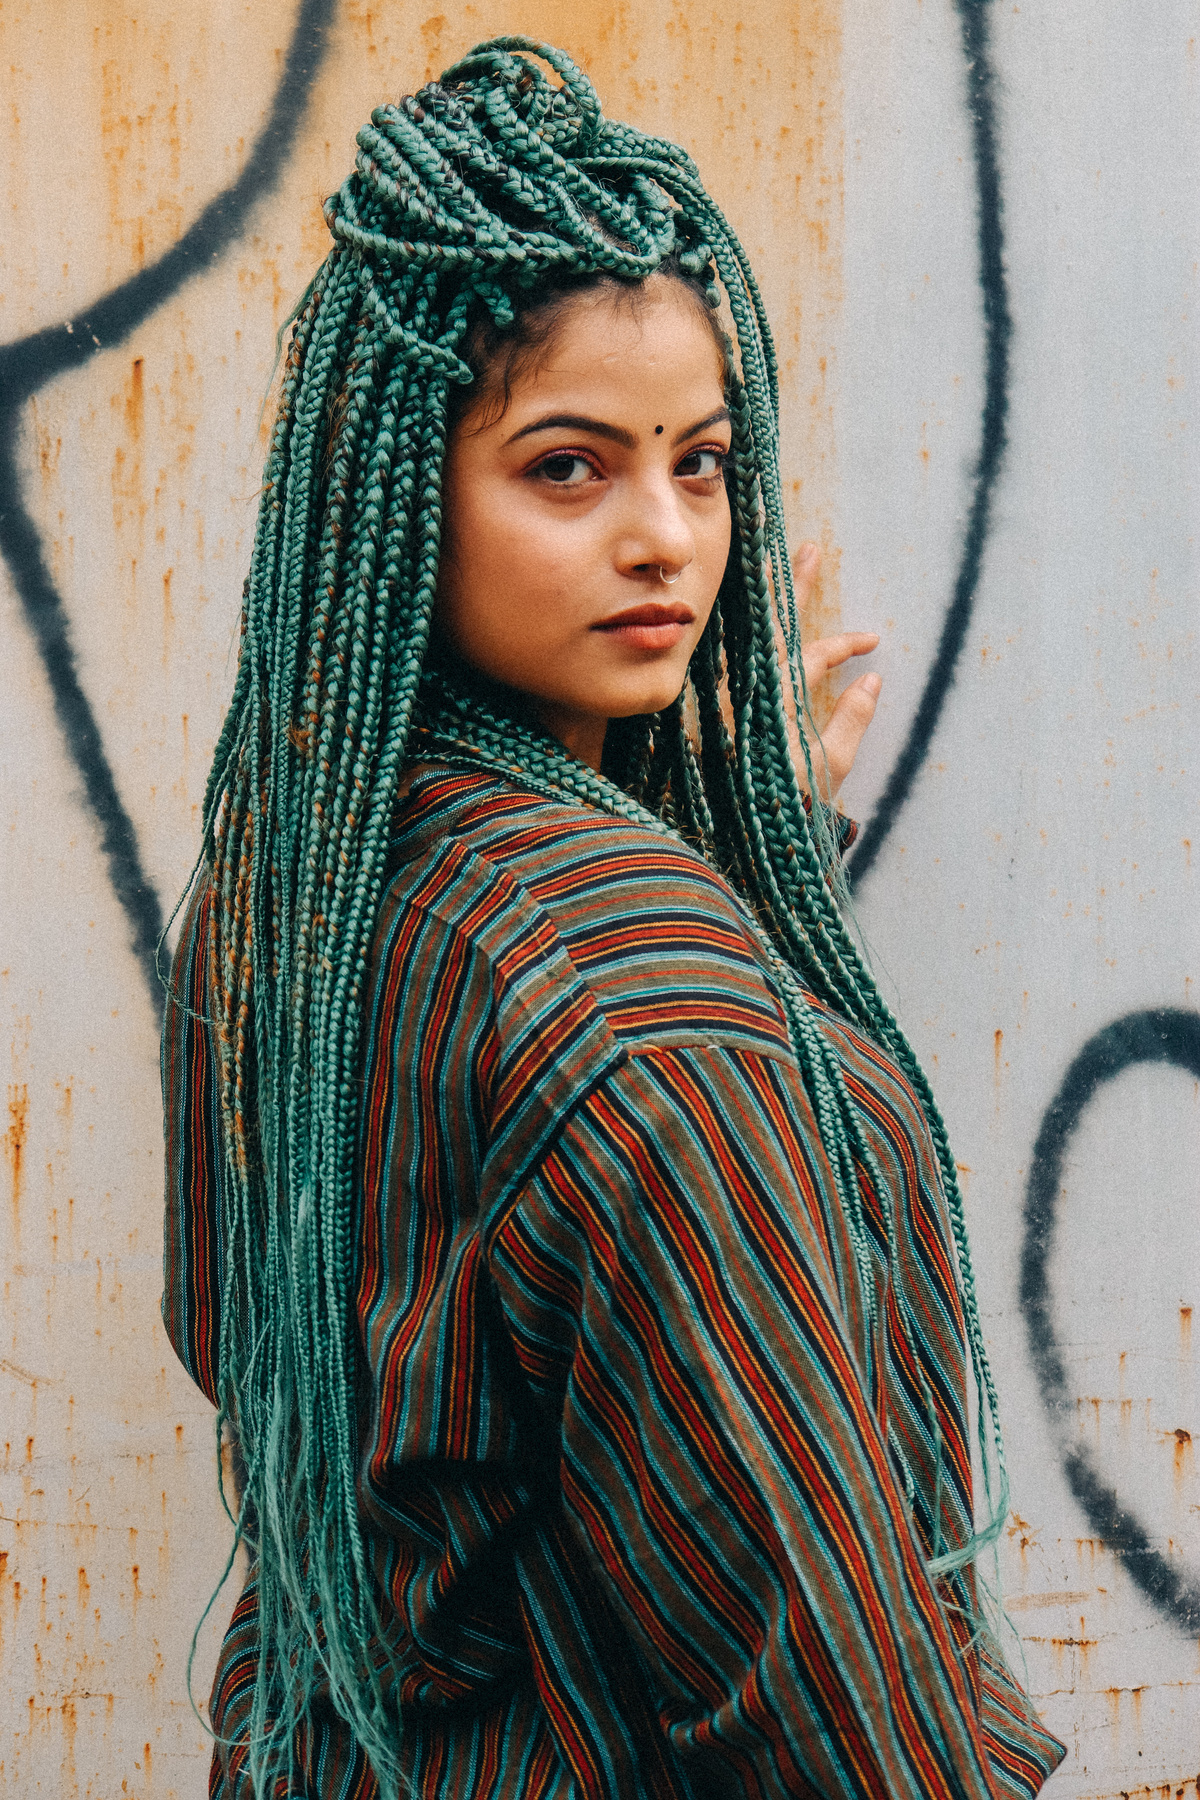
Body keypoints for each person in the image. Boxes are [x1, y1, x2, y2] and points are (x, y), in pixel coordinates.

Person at [161, 37, 1066, 1800]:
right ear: (399, 482)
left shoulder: (295, 881)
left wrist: (738, 840)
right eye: (569, 468)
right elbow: (814, 1697)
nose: (667, 537)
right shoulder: (645, 1008)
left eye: (704, 463)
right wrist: (685, 918)